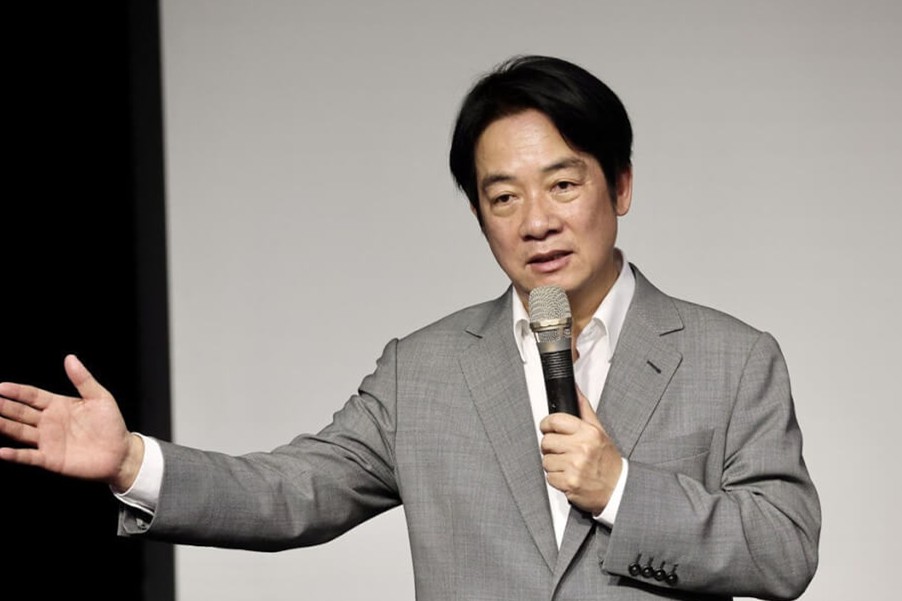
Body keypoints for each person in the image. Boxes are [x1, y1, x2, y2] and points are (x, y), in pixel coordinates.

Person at [0, 55, 820, 600]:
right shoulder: (423, 370)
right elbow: (293, 492)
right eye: (504, 197)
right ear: (480, 213)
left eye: (563, 184)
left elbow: (785, 550)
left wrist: (622, 490)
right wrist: (133, 462)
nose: (536, 220)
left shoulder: (732, 358)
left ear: (622, 184)